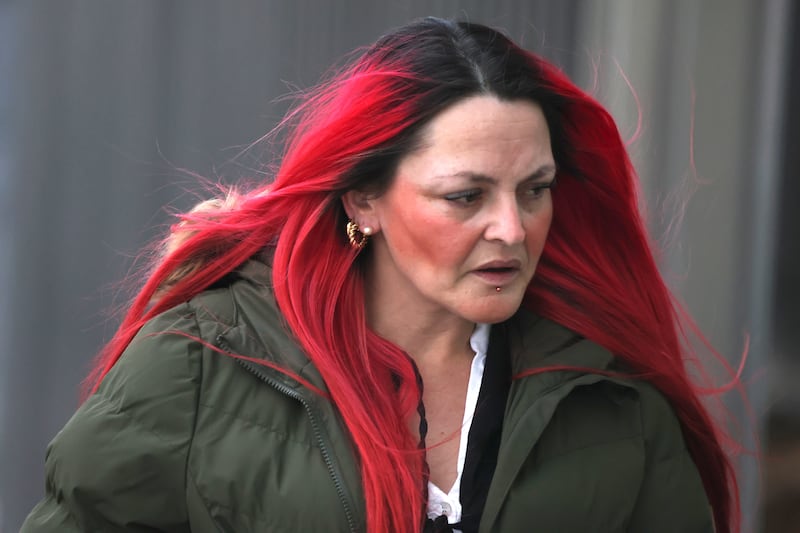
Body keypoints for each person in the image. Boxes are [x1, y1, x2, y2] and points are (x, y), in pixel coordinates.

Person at [21, 17, 739, 533]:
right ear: (364, 197)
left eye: (535, 188)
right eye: (467, 196)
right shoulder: (205, 358)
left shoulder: (609, 396)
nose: (513, 230)